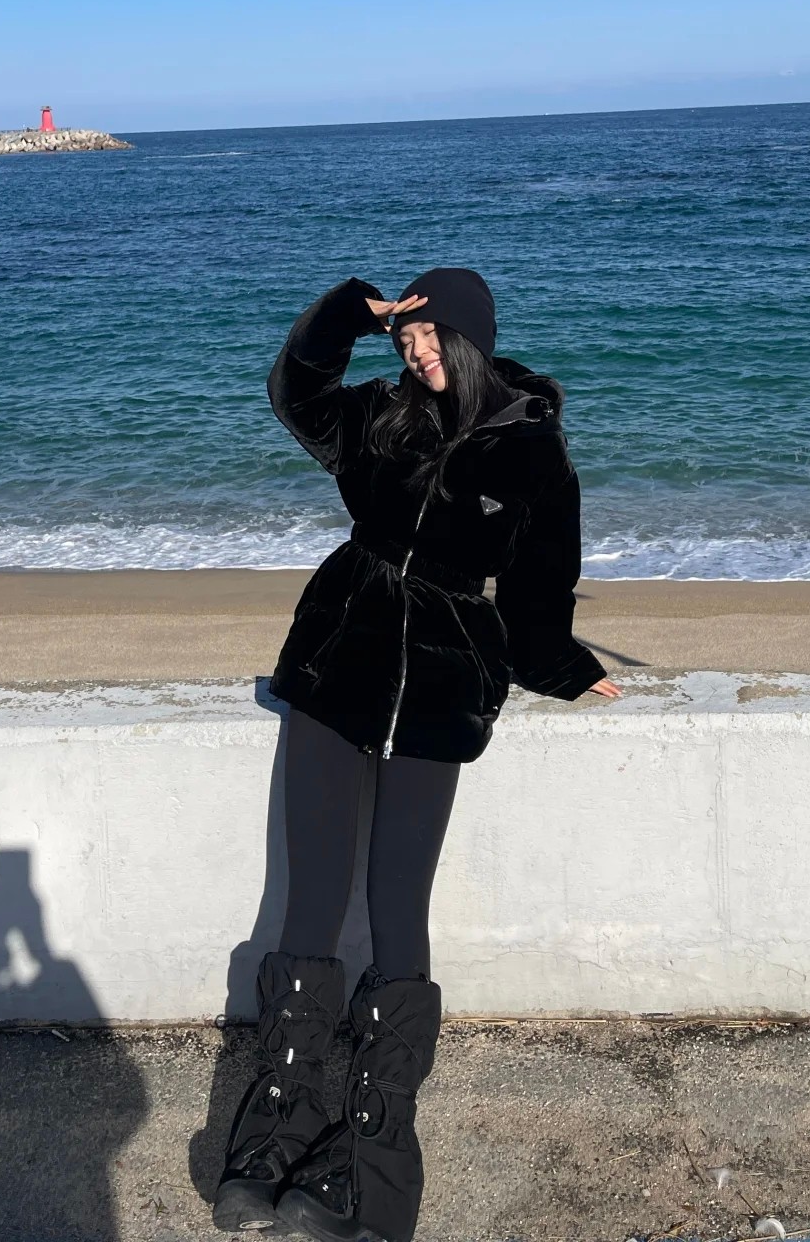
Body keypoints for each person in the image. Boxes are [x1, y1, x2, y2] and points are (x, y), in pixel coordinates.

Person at [213, 268, 621, 1242]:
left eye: (433, 337)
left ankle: (371, 1167)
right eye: (405, 341)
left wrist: (564, 668)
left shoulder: (531, 449)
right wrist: (342, 317)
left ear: (473, 337)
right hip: (336, 656)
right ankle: (278, 1128)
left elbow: (541, 588)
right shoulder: (378, 416)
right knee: (310, 902)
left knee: (398, 910)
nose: (418, 353)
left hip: (441, 685)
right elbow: (294, 393)